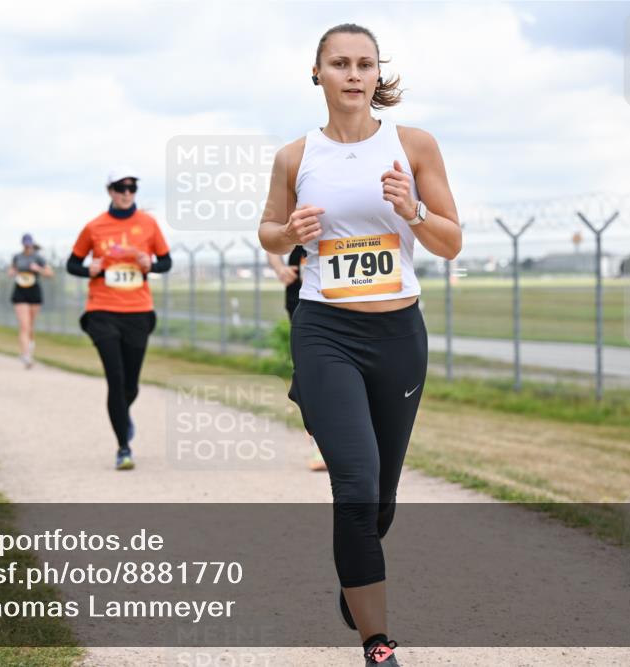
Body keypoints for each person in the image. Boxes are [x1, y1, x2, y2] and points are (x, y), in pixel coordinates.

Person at [258, 24, 461, 667]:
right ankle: (378, 640)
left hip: (398, 334)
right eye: (339, 63)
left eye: (364, 64)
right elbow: (267, 231)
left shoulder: (414, 145)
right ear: (316, 73)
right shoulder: (296, 156)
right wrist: (288, 230)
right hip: (325, 329)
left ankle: (357, 577)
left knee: (382, 498)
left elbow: (452, 242)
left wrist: (414, 212)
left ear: (379, 75)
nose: (352, 74)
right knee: (355, 483)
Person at [66, 169, 172, 471]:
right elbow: (72, 263)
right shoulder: (94, 227)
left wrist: (148, 263)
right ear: (110, 191)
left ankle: (122, 416)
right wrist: (90, 267)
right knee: (115, 380)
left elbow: (166, 262)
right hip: (102, 310)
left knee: (131, 386)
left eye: (132, 187)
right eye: (120, 187)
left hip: (138, 311)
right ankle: (123, 447)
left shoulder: (148, 224)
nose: (127, 193)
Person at [267, 246, 327, 472]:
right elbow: (272, 239)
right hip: (301, 302)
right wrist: (279, 268)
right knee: (311, 374)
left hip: (346, 301)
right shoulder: (297, 209)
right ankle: (319, 443)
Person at [8, 233, 54, 368]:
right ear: (22, 244)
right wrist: (12, 272)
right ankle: (26, 355)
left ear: (32, 245)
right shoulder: (17, 257)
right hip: (20, 291)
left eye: (29, 245)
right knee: (24, 325)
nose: (27, 247)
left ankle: (29, 345)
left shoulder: (38, 258)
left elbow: (50, 274)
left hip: (34, 291)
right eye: (25, 245)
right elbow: (11, 269)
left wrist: (38, 269)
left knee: (30, 326)